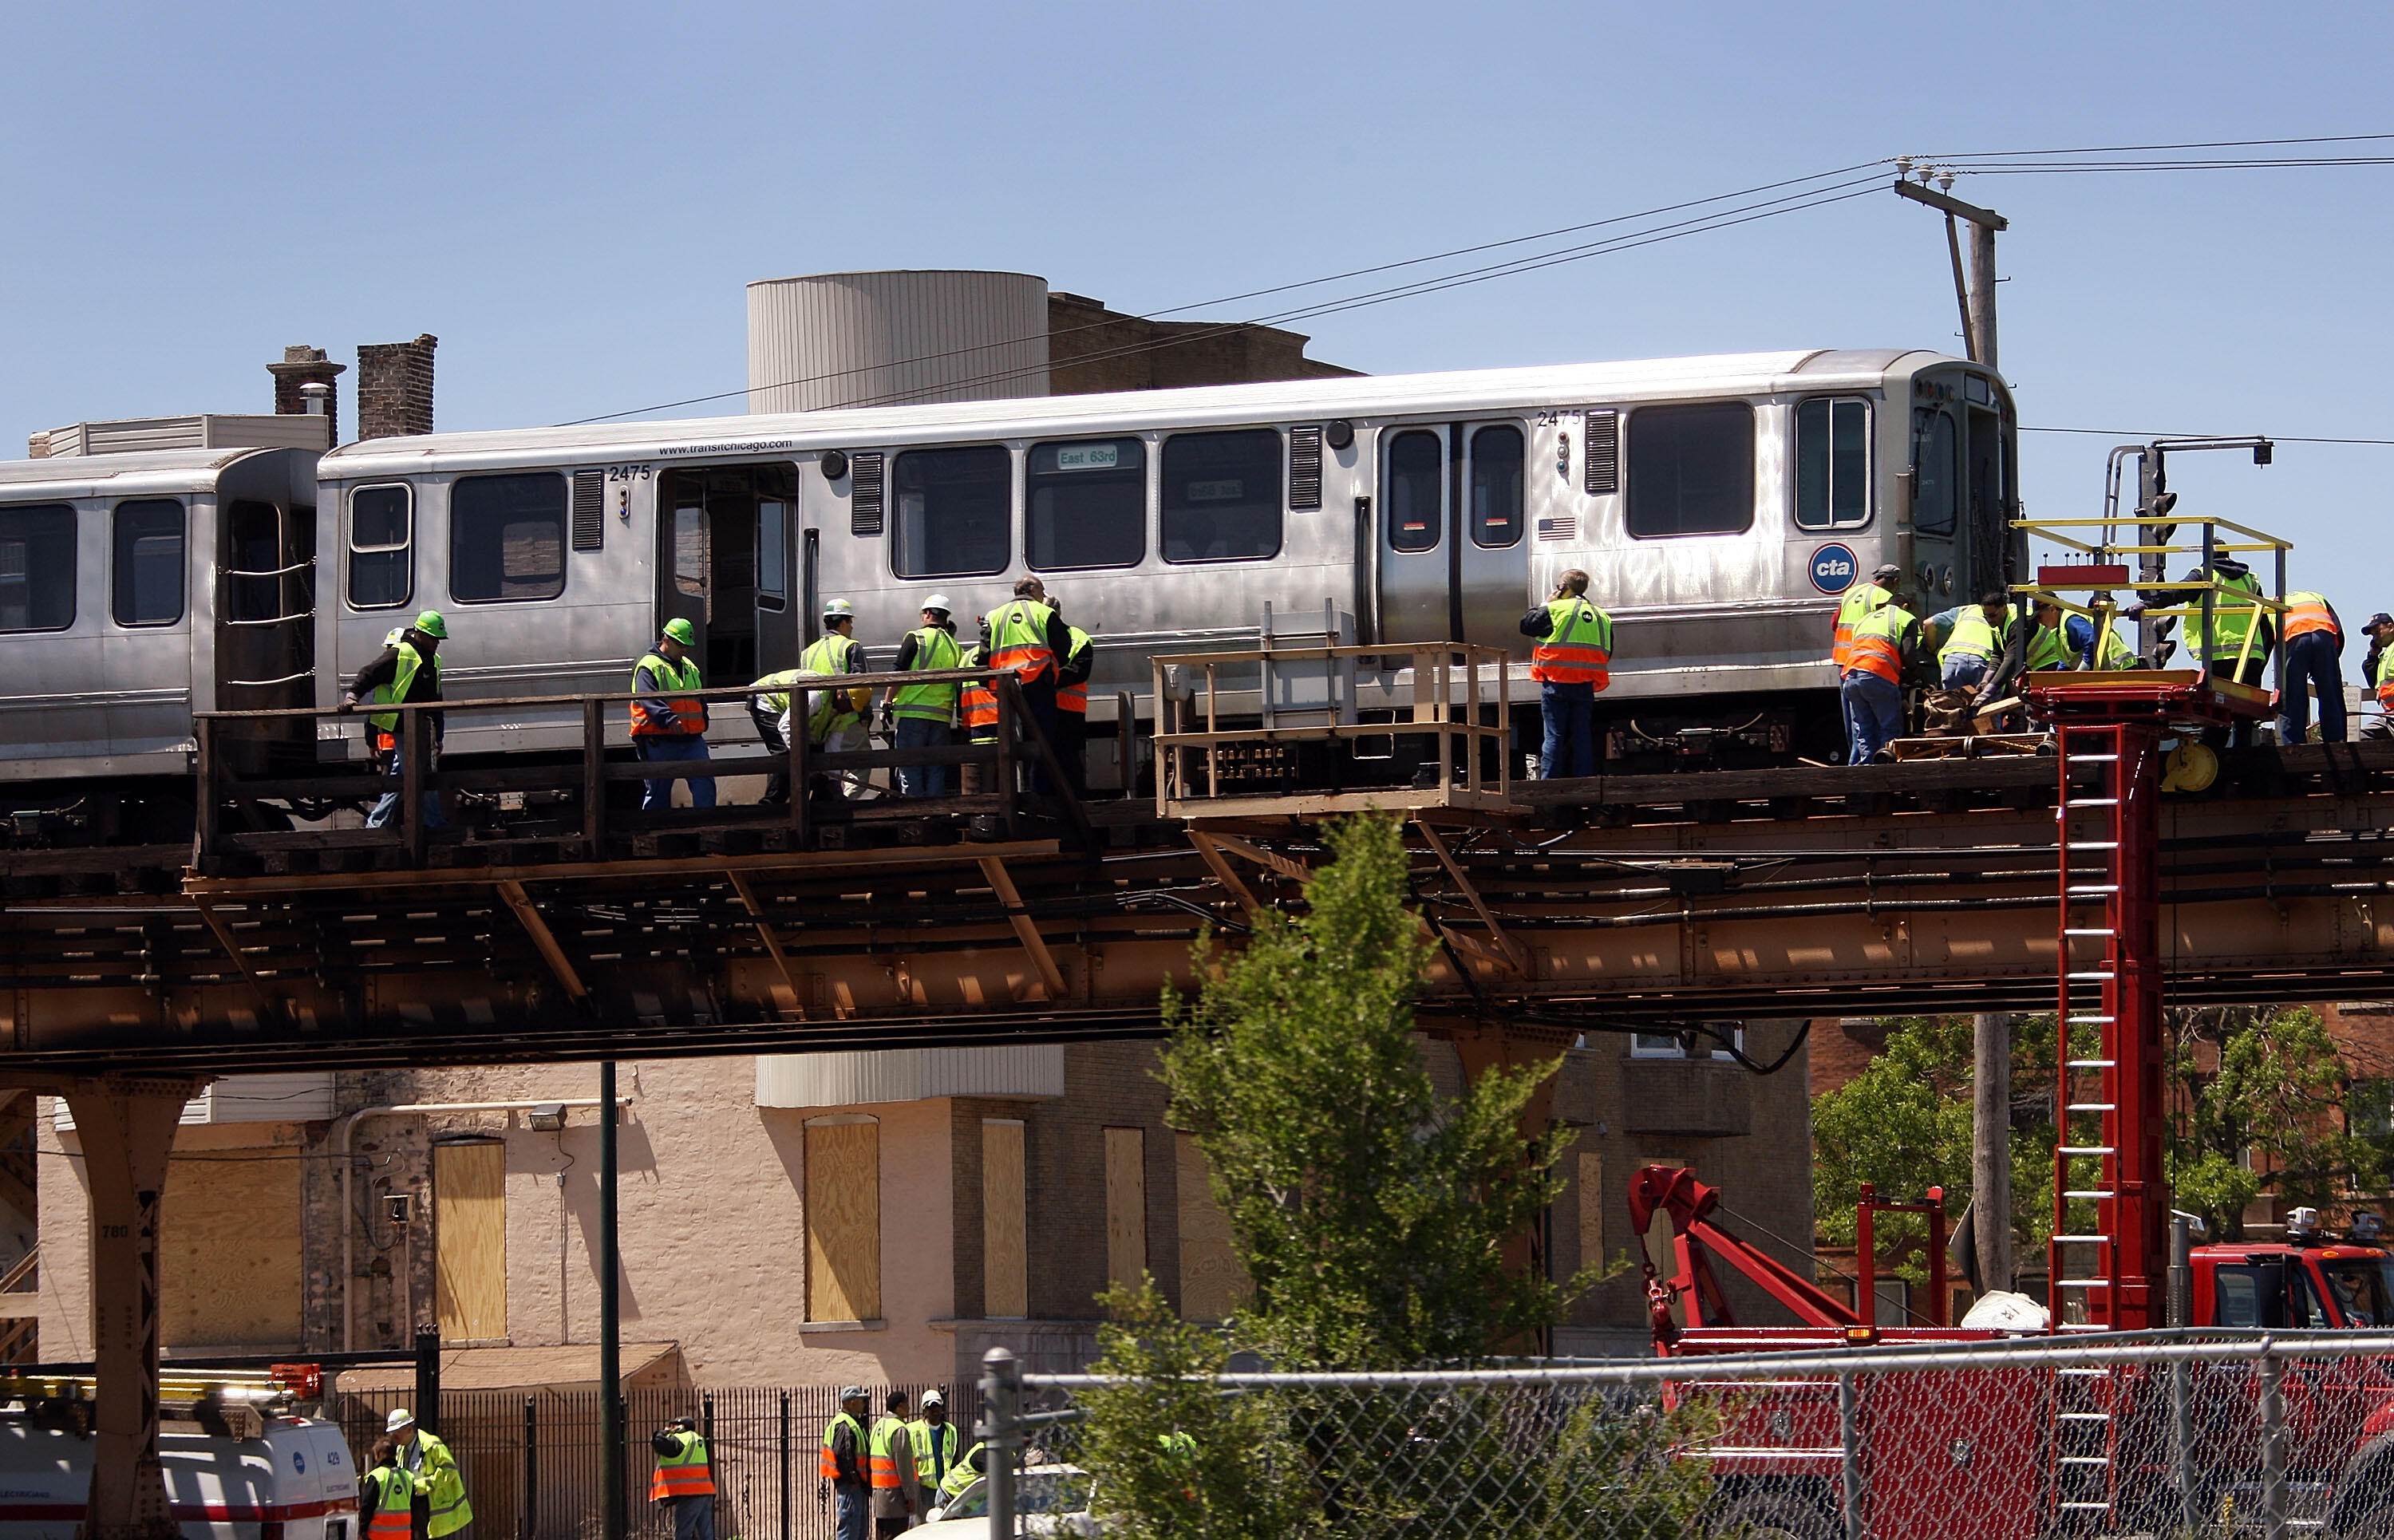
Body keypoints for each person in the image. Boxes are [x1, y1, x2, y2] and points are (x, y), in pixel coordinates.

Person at [342, 610, 449, 831]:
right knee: (423, 772)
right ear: (419, 634)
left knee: (402, 776)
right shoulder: (400, 653)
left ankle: (377, 824)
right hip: (403, 726)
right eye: (432, 638)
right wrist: (353, 696)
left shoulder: (433, 660)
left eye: (438, 639)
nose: (436, 643)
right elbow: (369, 673)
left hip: (423, 727)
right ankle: (434, 822)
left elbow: (437, 700)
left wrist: (438, 735)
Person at [981, 577, 1073, 793]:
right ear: (1032, 589)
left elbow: (984, 652)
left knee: (1008, 744)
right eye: (1042, 589)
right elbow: (1063, 647)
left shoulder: (994, 616)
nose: (1044, 594)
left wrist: (989, 681)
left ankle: (1011, 794)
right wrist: (1055, 666)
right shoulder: (1045, 613)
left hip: (1005, 689)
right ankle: (1037, 793)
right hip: (1038, 684)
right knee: (1041, 741)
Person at [1519, 569, 1614, 780]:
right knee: (1582, 735)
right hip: (1585, 686)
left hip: (1557, 683)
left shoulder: (1556, 610)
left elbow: (1527, 625)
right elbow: (1608, 650)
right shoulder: (1601, 616)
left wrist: (1545, 603)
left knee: (1554, 735)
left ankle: (1550, 784)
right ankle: (1583, 781)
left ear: (1564, 588)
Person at [2187, 555, 2274, 749]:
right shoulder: (2249, 580)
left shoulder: (2202, 575)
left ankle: (2208, 761)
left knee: (2218, 715)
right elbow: (2265, 626)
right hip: (2251, 656)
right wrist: (2261, 661)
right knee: (2245, 716)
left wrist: (2150, 603)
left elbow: (2178, 593)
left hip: (2220, 656)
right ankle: (2241, 763)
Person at [883, 594, 965, 798]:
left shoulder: (916, 637)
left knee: (911, 765)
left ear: (928, 614)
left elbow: (898, 673)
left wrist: (886, 703)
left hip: (914, 714)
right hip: (942, 717)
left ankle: (916, 813)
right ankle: (935, 812)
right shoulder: (954, 646)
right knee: (936, 767)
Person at [634, 618, 713, 811]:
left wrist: (704, 719)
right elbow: (648, 698)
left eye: (687, 645)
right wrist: (669, 719)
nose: (684, 649)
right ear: (666, 639)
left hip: (692, 740)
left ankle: (708, 827)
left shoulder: (689, 666)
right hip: (660, 741)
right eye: (680, 644)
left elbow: (699, 699)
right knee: (658, 791)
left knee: (705, 786)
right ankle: (654, 832)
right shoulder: (649, 666)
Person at [802, 599, 874, 798]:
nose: (851, 626)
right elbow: (861, 687)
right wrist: (865, 715)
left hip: (818, 722)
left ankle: (826, 808)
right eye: (850, 622)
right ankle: (845, 806)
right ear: (842, 622)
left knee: (827, 772)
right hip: (846, 720)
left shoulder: (808, 652)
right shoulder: (851, 646)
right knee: (860, 766)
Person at [1842, 590, 1922, 764]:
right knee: (1890, 727)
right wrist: (1917, 673)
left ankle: (1865, 774)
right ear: (1906, 606)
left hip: (1852, 677)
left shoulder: (1865, 619)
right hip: (1878, 676)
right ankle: (1886, 773)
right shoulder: (1905, 618)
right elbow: (1908, 656)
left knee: (1864, 729)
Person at [386, 1408, 472, 1539]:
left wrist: (425, 1485)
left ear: (409, 1429)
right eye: (392, 1432)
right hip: (410, 1504)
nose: (393, 1436)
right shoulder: (400, 1450)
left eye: (397, 1432)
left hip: (428, 1504)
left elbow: (449, 1471)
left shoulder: (431, 1444)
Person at [2276, 589, 2348, 744]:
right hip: (2324, 636)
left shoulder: (2273, 603)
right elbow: (2339, 630)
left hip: (2293, 638)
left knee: (2292, 696)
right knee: (2331, 693)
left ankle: (2293, 744)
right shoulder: (2316, 597)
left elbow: (2267, 640)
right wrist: (2330, 665)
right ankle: (2337, 741)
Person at [747, 666, 808, 804]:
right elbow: (785, 726)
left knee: (809, 751)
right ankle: (772, 804)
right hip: (765, 699)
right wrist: (799, 756)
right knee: (784, 753)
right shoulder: (816, 699)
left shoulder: (832, 705)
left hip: (778, 699)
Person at [1051, 603, 1095, 796]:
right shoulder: (1078, 636)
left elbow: (1079, 672)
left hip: (1059, 710)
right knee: (1067, 760)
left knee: (1065, 761)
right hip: (1065, 710)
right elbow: (1079, 671)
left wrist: (1046, 681)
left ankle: (1070, 801)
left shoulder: (1040, 638)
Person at [650, 1414, 717, 1540]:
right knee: (707, 1535)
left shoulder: (681, 1439)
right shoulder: (698, 1439)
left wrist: (664, 1432)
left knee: (683, 1535)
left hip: (690, 1494)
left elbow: (656, 1441)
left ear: (681, 1427)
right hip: (705, 1491)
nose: (671, 1428)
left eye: (673, 1426)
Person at [1934, 592, 2013, 695]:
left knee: (1953, 706)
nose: (1989, 620)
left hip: (1953, 662)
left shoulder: (1965, 610)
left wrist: (1933, 649)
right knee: (1986, 707)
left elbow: (1928, 624)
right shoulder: (2007, 617)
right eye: (1986, 617)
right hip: (1983, 662)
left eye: (1992, 616)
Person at [1831, 563, 1905, 669]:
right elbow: (1889, 630)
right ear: (1895, 581)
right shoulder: (1885, 597)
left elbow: (1834, 623)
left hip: (1843, 657)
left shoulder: (1852, 591)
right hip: (1866, 658)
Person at [820, 1387, 871, 1540]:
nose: (864, 1403)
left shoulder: (852, 1423)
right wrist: (855, 1480)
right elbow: (844, 1457)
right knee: (850, 1532)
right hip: (851, 1487)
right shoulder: (845, 1424)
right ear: (851, 1402)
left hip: (856, 1487)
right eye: (861, 1400)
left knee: (858, 1533)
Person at [868, 1389, 921, 1537]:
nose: (909, 1408)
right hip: (896, 1499)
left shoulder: (878, 1426)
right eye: (906, 1404)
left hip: (879, 1496)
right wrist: (910, 1496)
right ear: (899, 1407)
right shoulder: (899, 1429)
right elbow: (903, 1467)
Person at [911, 1390, 966, 1512]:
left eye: (937, 1406)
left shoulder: (951, 1430)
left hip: (946, 1488)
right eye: (931, 1407)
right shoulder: (913, 1431)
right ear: (925, 1410)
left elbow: (955, 1460)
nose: (935, 1411)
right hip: (923, 1489)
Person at [360, 1439, 413, 1540]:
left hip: (378, 1535)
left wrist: (362, 1531)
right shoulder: (408, 1477)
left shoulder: (377, 1476)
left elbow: (367, 1507)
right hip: (403, 1536)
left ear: (381, 1455)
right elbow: (414, 1506)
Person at [2366, 614, 2394, 741]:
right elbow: (2373, 682)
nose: (2375, 637)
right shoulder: (2385, 656)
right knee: (2357, 740)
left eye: (2377, 632)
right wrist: (2372, 656)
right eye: (2373, 635)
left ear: (2391, 627)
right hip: (2388, 716)